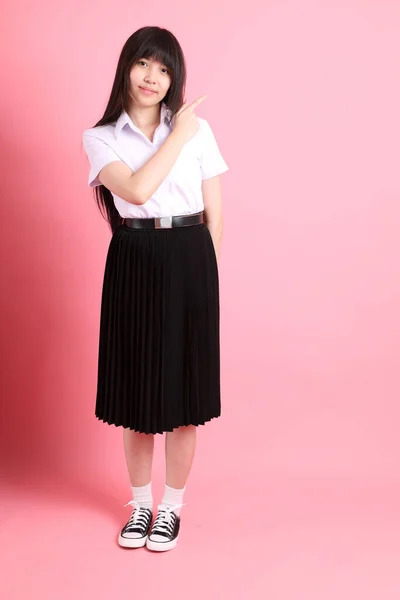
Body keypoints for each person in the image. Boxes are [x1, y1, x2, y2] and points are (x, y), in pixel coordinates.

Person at [82, 25, 229, 552]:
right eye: (145, 63)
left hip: (190, 256)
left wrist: (203, 271)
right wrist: (178, 136)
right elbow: (139, 190)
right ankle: (141, 505)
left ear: (175, 79)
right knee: (138, 389)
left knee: (185, 395)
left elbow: (214, 215)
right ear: (127, 66)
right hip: (135, 256)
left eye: (165, 69)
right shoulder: (100, 137)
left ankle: (172, 508)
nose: (152, 77)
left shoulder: (198, 129)